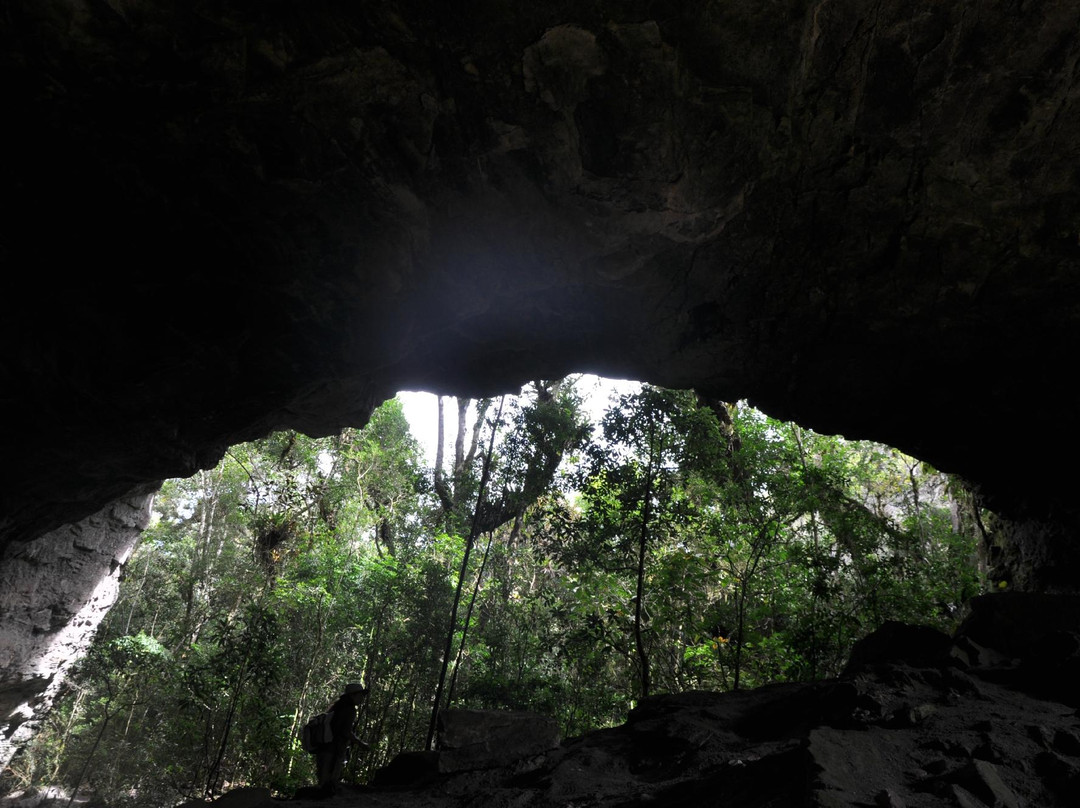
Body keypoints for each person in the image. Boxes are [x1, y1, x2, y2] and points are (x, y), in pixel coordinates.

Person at [315, 682, 371, 797]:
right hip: (334, 749)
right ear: (352, 696)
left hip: (324, 747)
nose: (362, 698)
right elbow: (346, 732)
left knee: (323, 779)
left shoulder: (336, 707)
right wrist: (361, 744)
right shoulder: (349, 709)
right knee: (330, 781)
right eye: (360, 695)